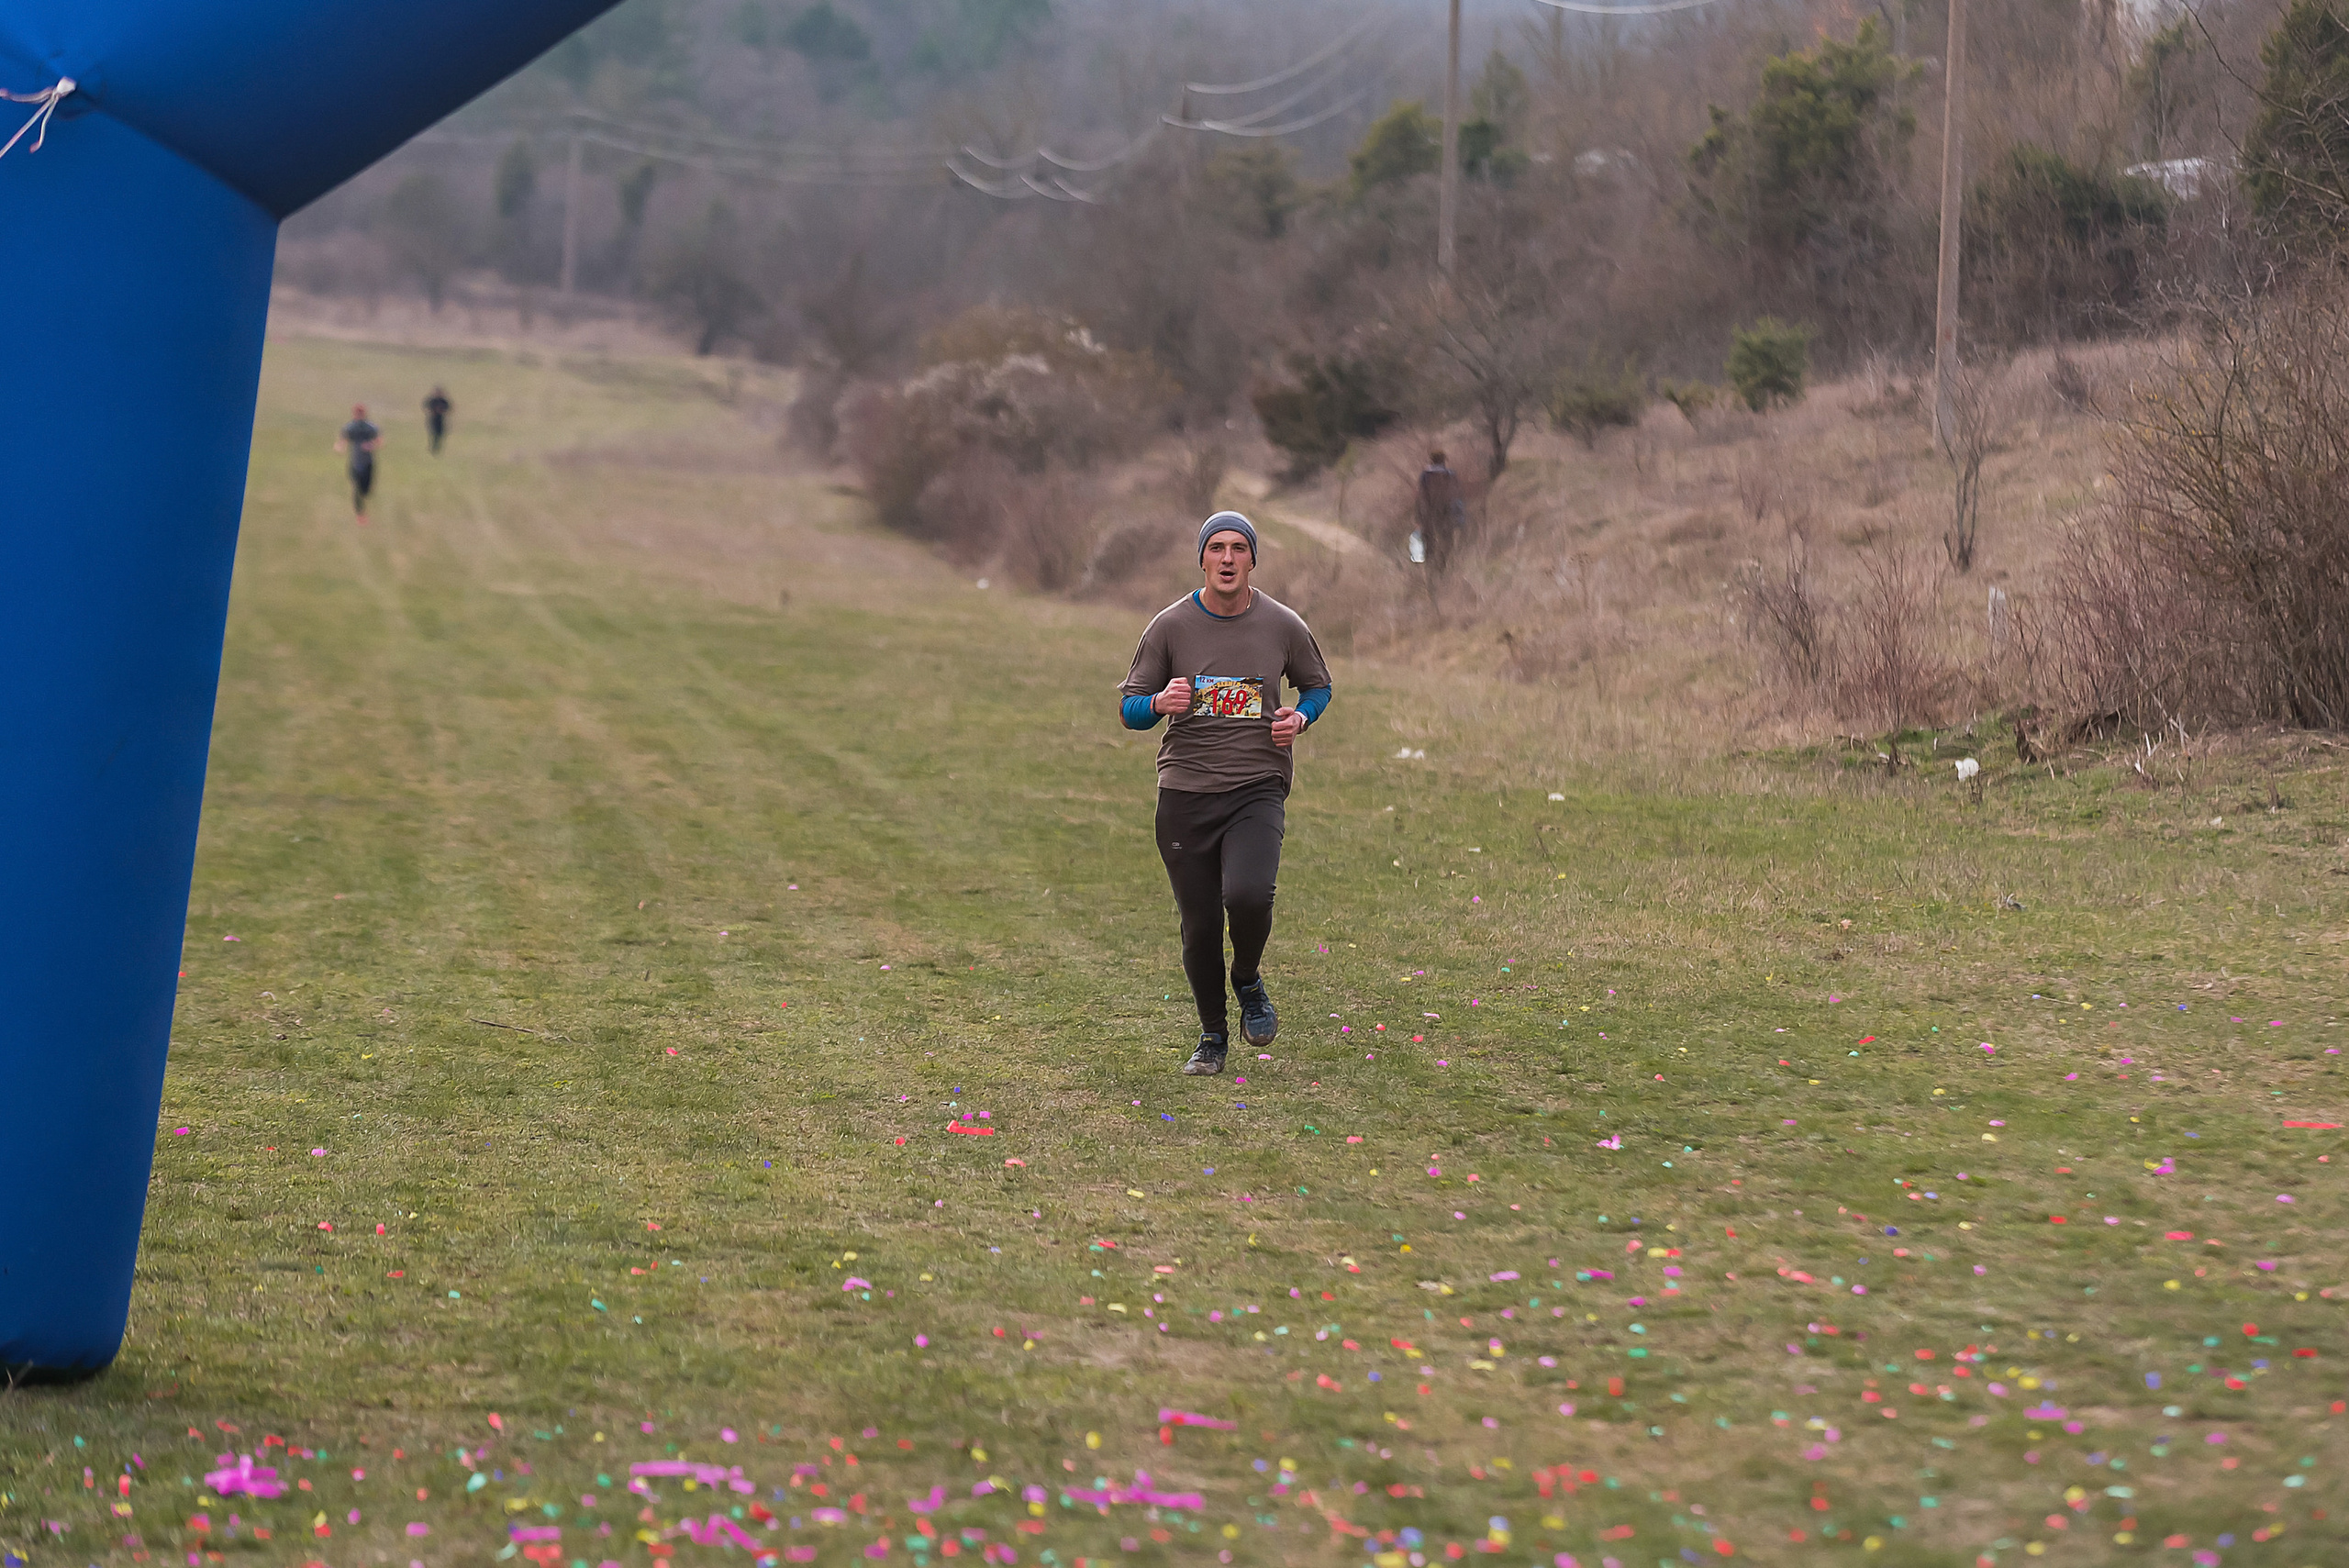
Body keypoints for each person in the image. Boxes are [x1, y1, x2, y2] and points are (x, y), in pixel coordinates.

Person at [1119, 512, 1333, 1076]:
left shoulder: (1283, 625)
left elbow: (1319, 686)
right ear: (1203, 559)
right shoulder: (1169, 627)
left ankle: (1247, 978)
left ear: (1254, 560)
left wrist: (1301, 718)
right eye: (1217, 548)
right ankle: (1213, 1036)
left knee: (1248, 894)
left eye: (1240, 548)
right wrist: (1159, 705)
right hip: (1186, 790)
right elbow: (1129, 708)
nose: (1229, 558)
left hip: (1257, 785)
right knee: (1201, 923)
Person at [1416, 449, 1465, 571]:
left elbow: (1421, 496)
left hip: (1429, 514)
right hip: (1447, 514)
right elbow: (1457, 496)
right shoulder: (1450, 475)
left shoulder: (1425, 476)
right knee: (1447, 544)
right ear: (1444, 461)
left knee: (1429, 547)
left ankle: (1430, 574)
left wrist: (1419, 516)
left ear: (1431, 461)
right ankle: (1443, 570)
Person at [333, 404, 382, 521]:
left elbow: (380, 441)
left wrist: (370, 445)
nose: (358, 416)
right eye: (357, 413)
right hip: (355, 463)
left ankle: (362, 503)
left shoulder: (370, 427)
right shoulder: (350, 427)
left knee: (366, 490)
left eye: (360, 413)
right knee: (357, 488)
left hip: (368, 462)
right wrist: (339, 447)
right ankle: (360, 515)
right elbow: (342, 440)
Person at [423, 386, 452, 454]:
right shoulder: (432, 401)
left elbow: (448, 408)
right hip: (433, 419)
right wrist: (432, 411)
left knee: (440, 434)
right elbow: (427, 407)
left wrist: (442, 411)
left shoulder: (443, 401)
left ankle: (437, 448)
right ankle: (433, 448)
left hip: (441, 419)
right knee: (433, 433)